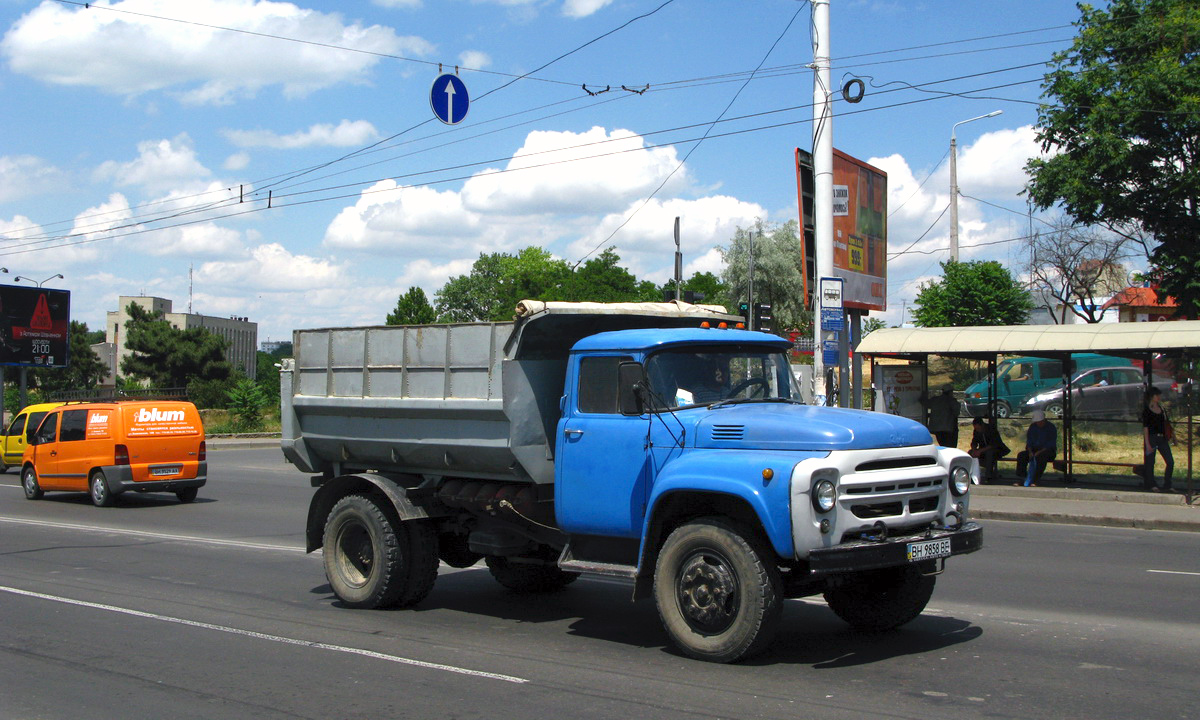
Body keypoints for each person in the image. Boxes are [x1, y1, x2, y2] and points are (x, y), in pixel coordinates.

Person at [1141, 387, 1174, 492]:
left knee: (1170, 461)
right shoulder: (1147, 411)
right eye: (1157, 395)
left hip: (1162, 438)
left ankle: (1167, 483)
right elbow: (1145, 428)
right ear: (1152, 396)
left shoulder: (1162, 409)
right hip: (1151, 437)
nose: (1159, 397)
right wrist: (1147, 444)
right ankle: (1151, 484)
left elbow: (1166, 423)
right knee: (1150, 462)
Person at [1015, 410, 1056, 487]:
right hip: (1033, 450)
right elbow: (1029, 440)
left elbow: (1051, 444)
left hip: (1046, 450)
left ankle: (1036, 479)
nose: (1038, 423)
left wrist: (1039, 452)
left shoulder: (1051, 427)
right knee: (1021, 455)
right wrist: (1030, 451)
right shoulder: (1033, 427)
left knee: (1041, 458)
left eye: (1040, 421)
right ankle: (1022, 478)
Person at [968, 417, 1009, 483]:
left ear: (982, 425)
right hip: (983, 450)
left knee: (989, 453)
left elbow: (993, 444)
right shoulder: (976, 431)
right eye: (976, 428)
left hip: (996, 450)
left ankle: (988, 477)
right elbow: (974, 441)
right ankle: (972, 475)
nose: (977, 430)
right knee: (970, 453)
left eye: (978, 428)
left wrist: (980, 451)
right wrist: (974, 450)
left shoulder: (991, 429)